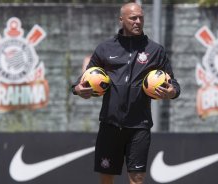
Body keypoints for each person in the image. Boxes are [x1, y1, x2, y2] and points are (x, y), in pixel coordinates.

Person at [72, 2, 180, 184]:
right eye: (133, 18)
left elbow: (174, 84)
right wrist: (77, 90)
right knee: (106, 178)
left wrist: (171, 92)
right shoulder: (105, 48)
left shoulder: (155, 50)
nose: (138, 21)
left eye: (141, 18)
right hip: (110, 124)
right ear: (121, 19)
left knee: (137, 178)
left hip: (139, 126)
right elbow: (82, 80)